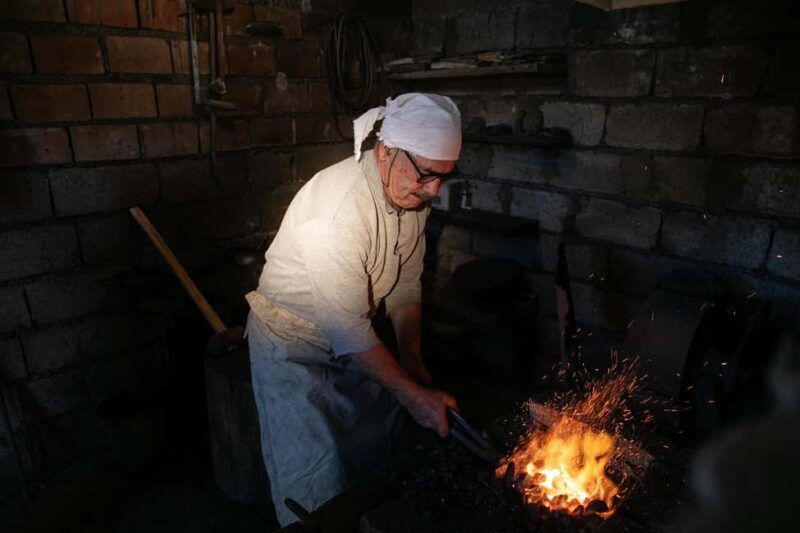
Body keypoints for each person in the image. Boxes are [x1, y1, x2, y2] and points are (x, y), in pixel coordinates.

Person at [245, 93, 462, 526]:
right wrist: (414, 396)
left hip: (350, 336)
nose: (433, 190)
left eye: (444, 177)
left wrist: (412, 361)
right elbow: (346, 329)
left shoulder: (412, 198)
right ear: (386, 151)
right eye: (426, 174)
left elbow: (404, 283)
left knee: (372, 451)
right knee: (316, 483)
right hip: (292, 347)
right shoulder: (337, 212)